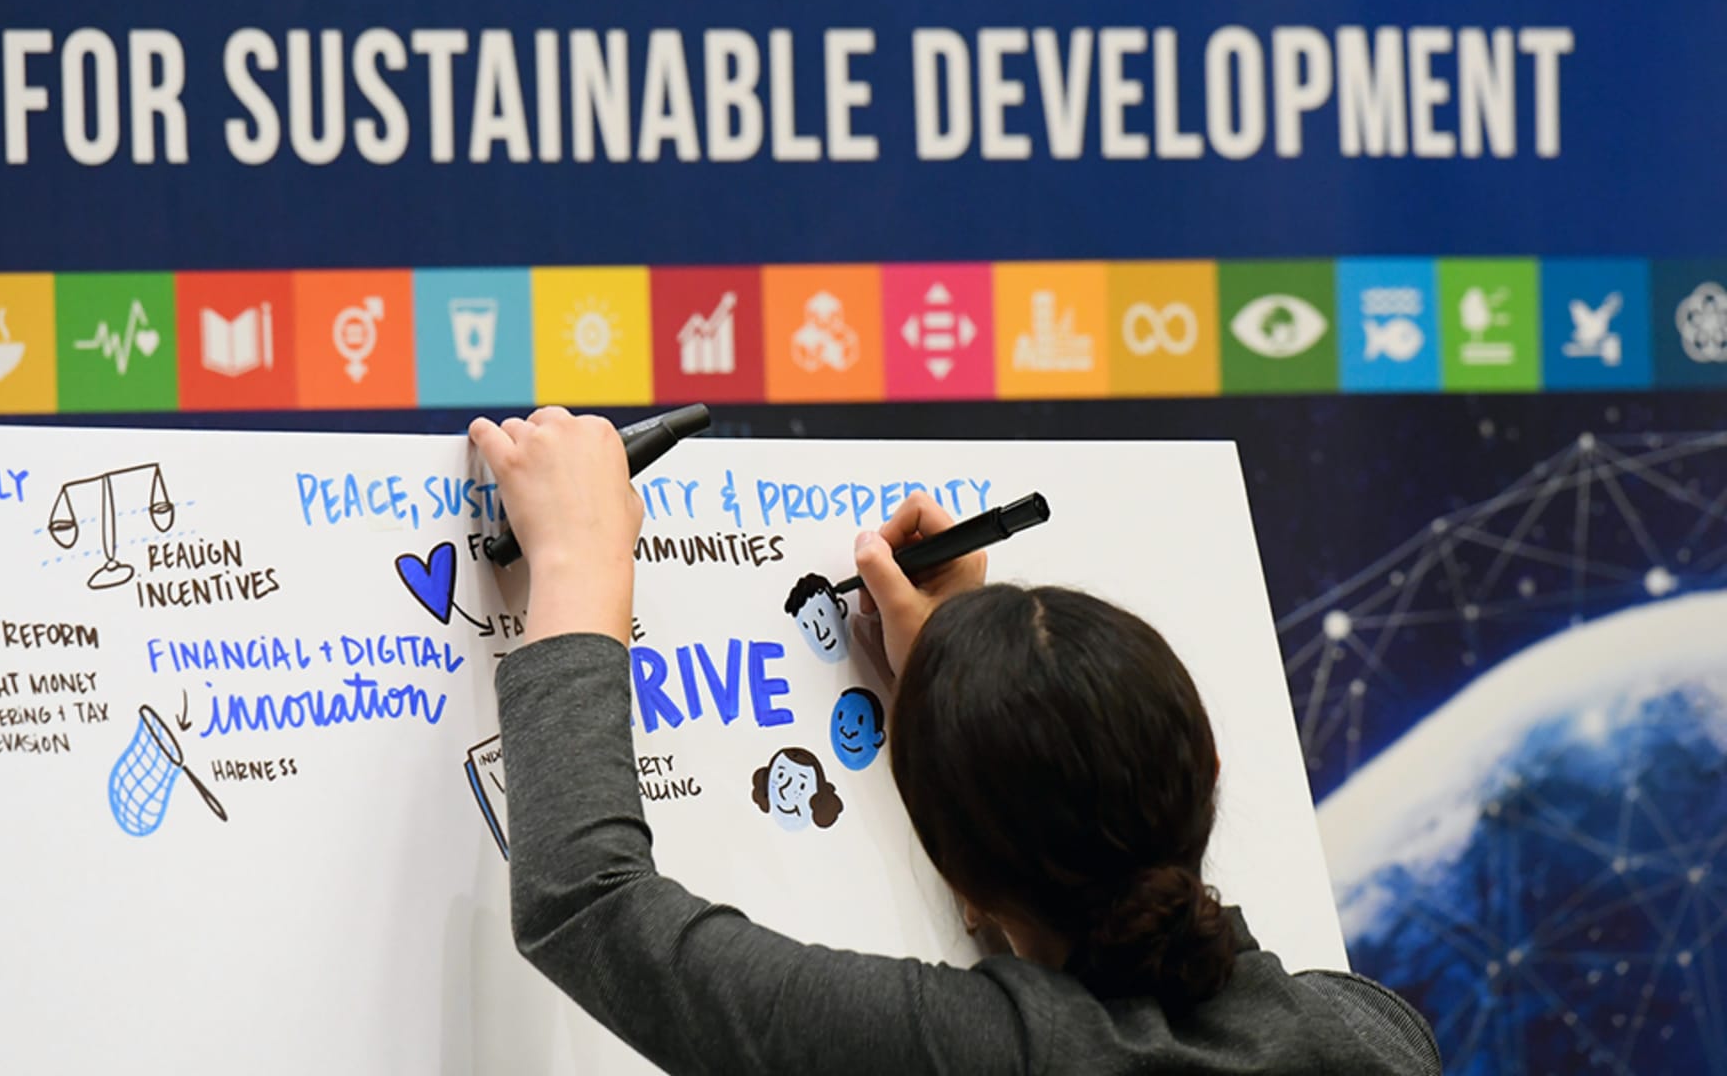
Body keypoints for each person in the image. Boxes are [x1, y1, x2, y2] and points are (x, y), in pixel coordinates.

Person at [469, 407, 1441, 1075]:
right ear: (1211, 772)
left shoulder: (973, 1052)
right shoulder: (1372, 1035)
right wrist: (969, 694)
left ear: (959, 876)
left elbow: (587, 903)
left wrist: (576, 560)